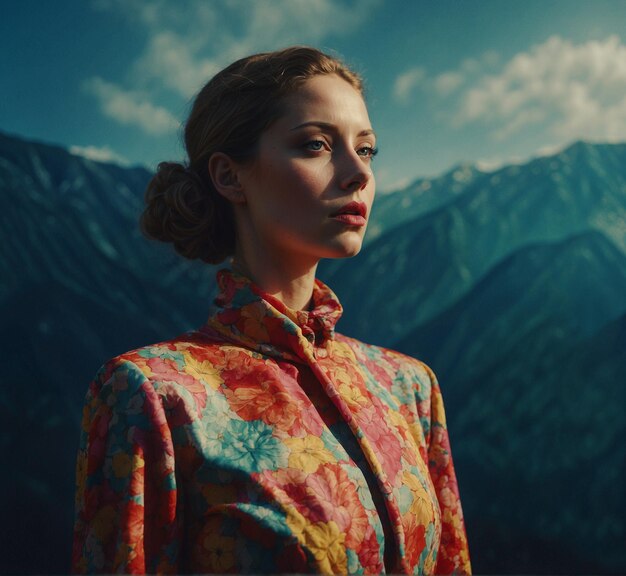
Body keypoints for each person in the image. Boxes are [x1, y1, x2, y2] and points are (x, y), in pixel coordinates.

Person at [72, 46, 471, 575]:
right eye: (316, 145)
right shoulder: (154, 396)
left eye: (367, 149)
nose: (357, 174)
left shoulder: (410, 388)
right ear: (229, 176)